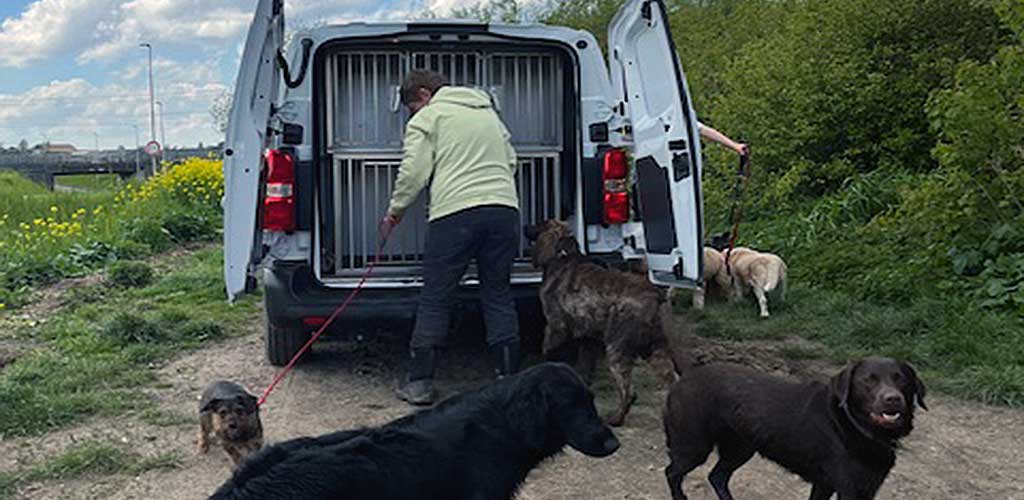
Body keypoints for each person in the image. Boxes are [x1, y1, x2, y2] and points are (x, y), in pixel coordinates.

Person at [383, 69, 521, 406]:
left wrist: (394, 213)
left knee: (436, 296)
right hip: (504, 211)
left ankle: (419, 383)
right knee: (498, 292)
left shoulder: (429, 118)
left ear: (424, 94)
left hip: (455, 214)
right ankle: (510, 379)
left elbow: (414, 171)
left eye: (413, 106)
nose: (414, 114)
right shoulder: (489, 115)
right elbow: (512, 161)